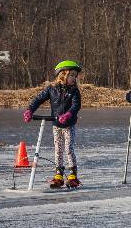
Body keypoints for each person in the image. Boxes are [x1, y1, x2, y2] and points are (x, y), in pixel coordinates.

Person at [23, 60, 83, 189]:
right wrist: (30, 110)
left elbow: (76, 105)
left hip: (69, 125)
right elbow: (38, 99)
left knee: (68, 148)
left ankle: (73, 175)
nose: (74, 78)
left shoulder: (74, 91)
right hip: (56, 124)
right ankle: (58, 176)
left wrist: (68, 114)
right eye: (71, 75)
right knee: (58, 150)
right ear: (62, 74)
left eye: (75, 75)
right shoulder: (51, 89)